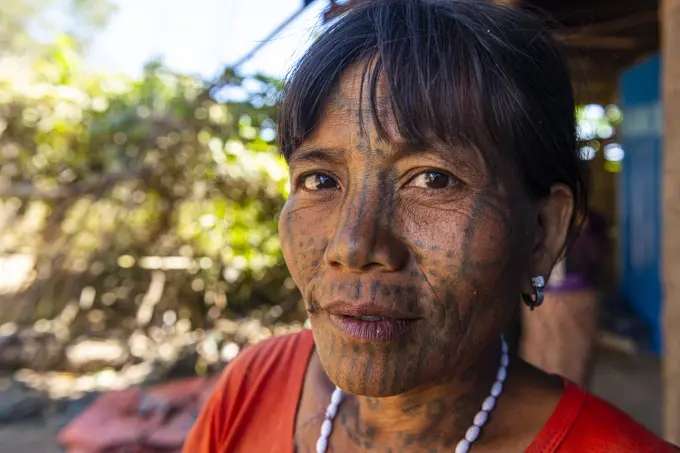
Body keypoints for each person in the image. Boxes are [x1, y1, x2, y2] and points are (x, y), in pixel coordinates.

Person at [183, 1, 678, 451]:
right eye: (319, 179)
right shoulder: (253, 386)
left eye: (433, 179)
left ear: (542, 232)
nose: (353, 246)